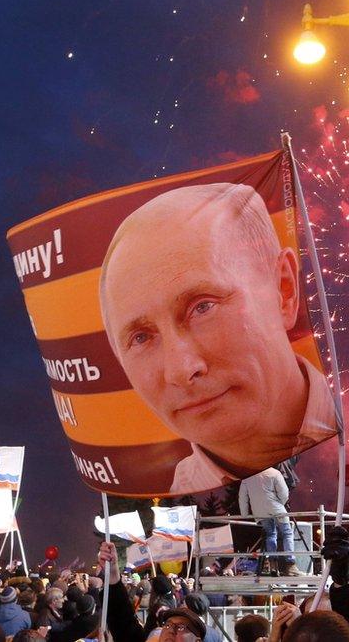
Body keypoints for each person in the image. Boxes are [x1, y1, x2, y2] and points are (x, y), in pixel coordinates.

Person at [99, 182, 335, 493]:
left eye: (203, 307)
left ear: (284, 289)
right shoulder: (174, 495)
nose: (181, 370)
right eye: (141, 338)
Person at [239, 467, 301, 576]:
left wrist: (244, 514)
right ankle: (291, 565)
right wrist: (279, 504)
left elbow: (242, 497)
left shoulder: (247, 477)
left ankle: (273, 565)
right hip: (276, 508)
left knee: (270, 535)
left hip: (259, 511)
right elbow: (284, 493)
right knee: (287, 533)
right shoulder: (274, 473)